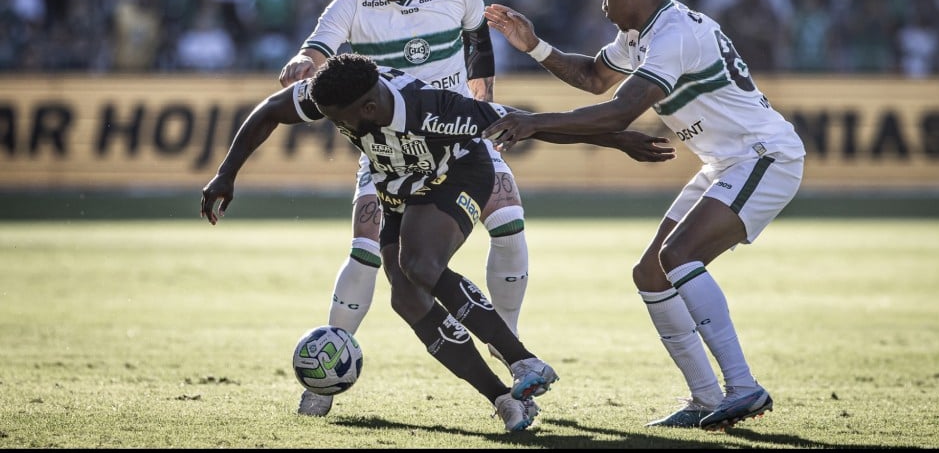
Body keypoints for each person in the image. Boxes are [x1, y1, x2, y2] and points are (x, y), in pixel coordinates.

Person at [201, 53, 675, 431]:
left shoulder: (433, 108)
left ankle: (524, 360)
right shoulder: (335, 92)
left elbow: (523, 123)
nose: (329, 124)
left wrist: (616, 139)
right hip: (397, 184)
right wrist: (225, 174)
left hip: (460, 172)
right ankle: (504, 401)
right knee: (407, 299)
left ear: (368, 107)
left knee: (421, 267)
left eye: (337, 119)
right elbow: (270, 109)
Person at [482, 0, 806, 431]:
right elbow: (593, 77)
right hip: (726, 161)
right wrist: (536, 46)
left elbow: (616, 112)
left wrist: (535, 123)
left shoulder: (674, 36)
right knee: (651, 273)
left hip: (764, 156)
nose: (605, 9)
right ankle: (704, 398)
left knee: (679, 258)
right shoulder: (639, 36)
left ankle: (743, 388)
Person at [276, 0, 536, 417]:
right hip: (389, 149)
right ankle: (321, 386)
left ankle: (509, 347)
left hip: (455, 137)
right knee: (366, 253)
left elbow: (477, 44)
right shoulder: (354, 1)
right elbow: (318, 47)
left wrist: (483, 94)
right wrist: (304, 63)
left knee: (509, 224)